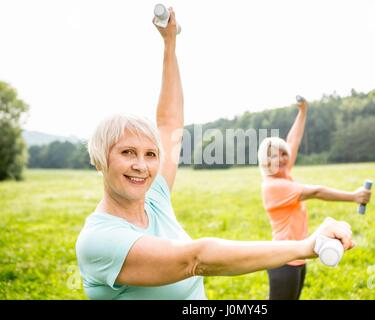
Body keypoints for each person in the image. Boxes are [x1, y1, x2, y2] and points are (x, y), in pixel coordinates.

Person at [75, 8, 356, 300]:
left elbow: (169, 122)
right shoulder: (99, 241)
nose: (142, 166)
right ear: (100, 159)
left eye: (150, 154)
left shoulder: (154, 198)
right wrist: (304, 246)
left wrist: (169, 44)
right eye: (127, 152)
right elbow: (195, 259)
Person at [257, 98, 372, 300]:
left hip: (296, 257)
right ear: (266, 162)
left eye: (284, 155)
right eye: (276, 156)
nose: (283, 159)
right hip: (283, 261)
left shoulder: (283, 173)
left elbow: (293, 141)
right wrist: (354, 196)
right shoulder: (274, 186)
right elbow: (317, 191)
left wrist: (302, 112)